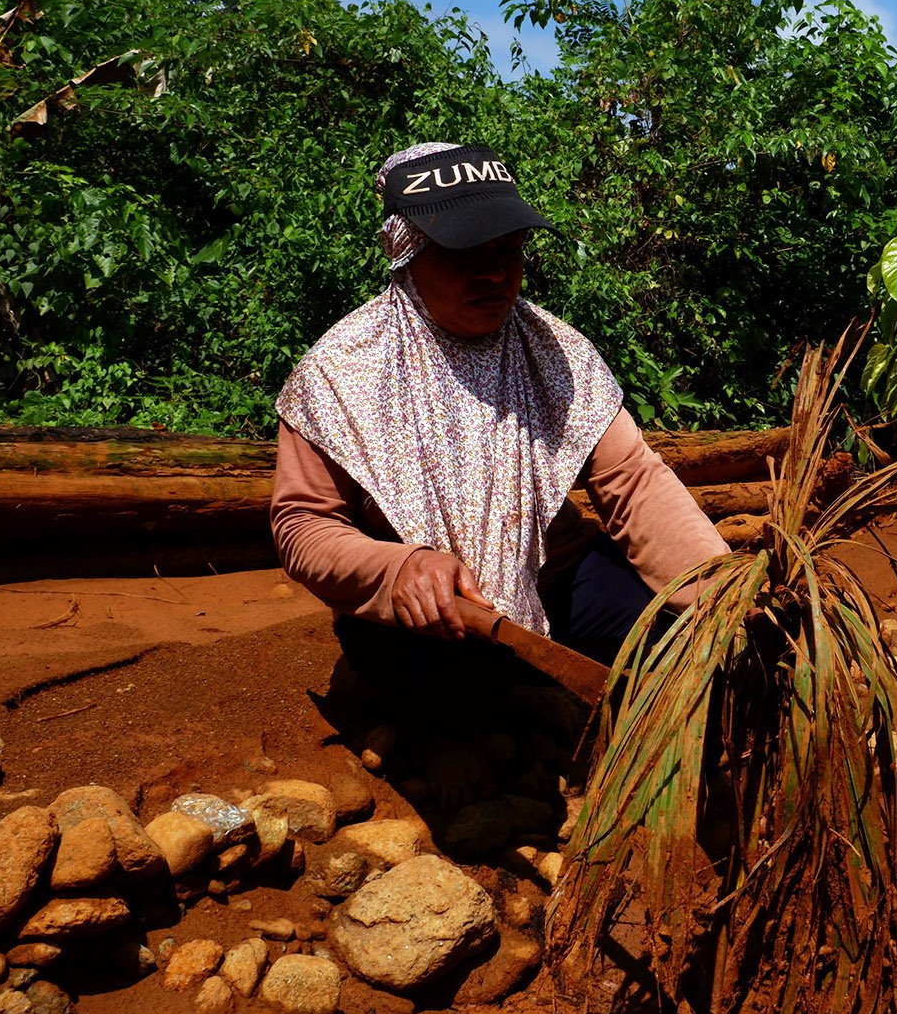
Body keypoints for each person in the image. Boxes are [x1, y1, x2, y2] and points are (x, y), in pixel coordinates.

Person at [271, 141, 728, 681]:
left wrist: (716, 586)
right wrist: (401, 569)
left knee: (682, 653)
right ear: (408, 254)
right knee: (464, 709)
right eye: (465, 255)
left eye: (507, 251)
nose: (494, 274)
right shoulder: (340, 372)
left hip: (554, 574)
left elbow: (632, 480)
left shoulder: (555, 352)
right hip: (425, 607)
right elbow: (304, 522)